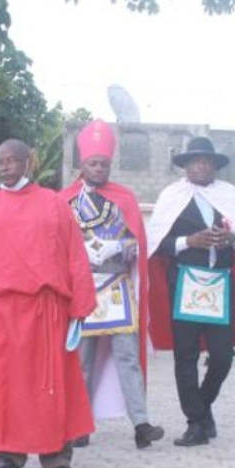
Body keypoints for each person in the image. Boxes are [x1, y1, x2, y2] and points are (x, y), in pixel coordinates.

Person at [0, 138, 97, 468]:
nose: (4, 166)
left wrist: (81, 304)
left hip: (46, 311)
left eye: (12, 160)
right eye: (0, 161)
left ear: (28, 162)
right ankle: (6, 457)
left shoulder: (54, 205)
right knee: (4, 389)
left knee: (49, 384)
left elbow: (75, 253)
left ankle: (56, 456)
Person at [145, 136, 235, 447]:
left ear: (215, 165)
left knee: (222, 355)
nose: (202, 165)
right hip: (184, 284)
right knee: (185, 355)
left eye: (207, 161)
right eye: (195, 160)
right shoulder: (171, 196)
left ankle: (203, 406)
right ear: (186, 165)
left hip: (220, 284)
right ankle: (195, 423)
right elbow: (155, 244)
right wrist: (187, 242)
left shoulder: (230, 195)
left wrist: (233, 239)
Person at [60, 120, 164, 449]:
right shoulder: (63, 200)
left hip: (118, 287)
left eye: (104, 164)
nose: (99, 169)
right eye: (93, 163)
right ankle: (79, 425)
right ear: (83, 164)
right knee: (83, 362)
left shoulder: (124, 198)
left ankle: (141, 423)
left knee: (128, 359)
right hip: (84, 289)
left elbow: (138, 244)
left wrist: (119, 246)